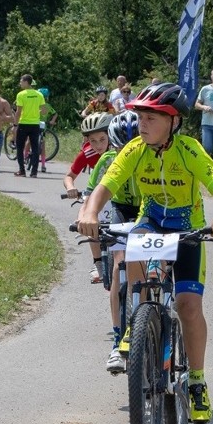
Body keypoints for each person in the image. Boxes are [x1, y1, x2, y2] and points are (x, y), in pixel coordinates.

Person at [77, 82, 213, 424]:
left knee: (188, 307)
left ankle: (196, 382)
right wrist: (90, 213)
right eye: (139, 116)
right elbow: (107, 184)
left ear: (173, 122)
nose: (142, 123)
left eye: (150, 117)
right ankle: (139, 316)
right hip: (152, 220)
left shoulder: (189, 149)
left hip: (187, 226)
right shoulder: (134, 149)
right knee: (135, 242)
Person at [79, 110, 142, 372]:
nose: (126, 153)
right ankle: (117, 341)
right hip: (120, 208)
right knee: (119, 264)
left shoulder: (153, 158)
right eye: (119, 148)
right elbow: (92, 194)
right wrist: (84, 216)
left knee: (151, 264)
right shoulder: (106, 161)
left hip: (147, 209)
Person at [64, 112, 114, 284]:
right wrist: (71, 188)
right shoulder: (88, 153)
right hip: (96, 192)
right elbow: (69, 176)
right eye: (93, 141)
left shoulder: (120, 151)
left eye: (102, 139)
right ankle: (98, 263)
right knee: (89, 219)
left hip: (118, 193)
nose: (98, 145)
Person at [13, 74, 46, 177]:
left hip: (23, 123)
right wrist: (35, 111)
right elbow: (44, 111)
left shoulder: (21, 94)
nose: (20, 83)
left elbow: (18, 112)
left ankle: (22, 171)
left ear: (26, 82)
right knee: (35, 148)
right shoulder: (39, 94)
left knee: (20, 147)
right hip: (35, 124)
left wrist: (15, 124)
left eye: (21, 81)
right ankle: (34, 172)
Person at [36, 87, 58, 173]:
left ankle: (43, 165)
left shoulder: (47, 106)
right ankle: (25, 156)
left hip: (42, 127)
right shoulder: (35, 105)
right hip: (34, 124)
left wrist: (52, 120)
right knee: (29, 141)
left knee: (42, 145)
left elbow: (55, 113)